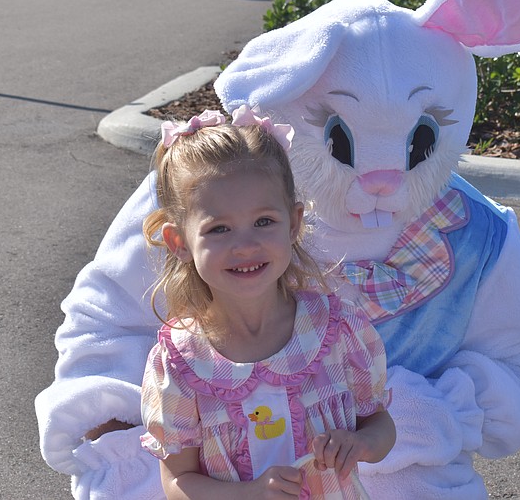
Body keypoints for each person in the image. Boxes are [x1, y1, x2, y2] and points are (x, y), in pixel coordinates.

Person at [138, 108, 396, 499]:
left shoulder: (336, 329)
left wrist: (360, 444)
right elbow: (177, 482)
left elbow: (379, 425)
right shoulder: (181, 362)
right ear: (180, 242)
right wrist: (251, 493)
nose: (245, 246)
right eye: (219, 229)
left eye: (263, 222)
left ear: (293, 223)